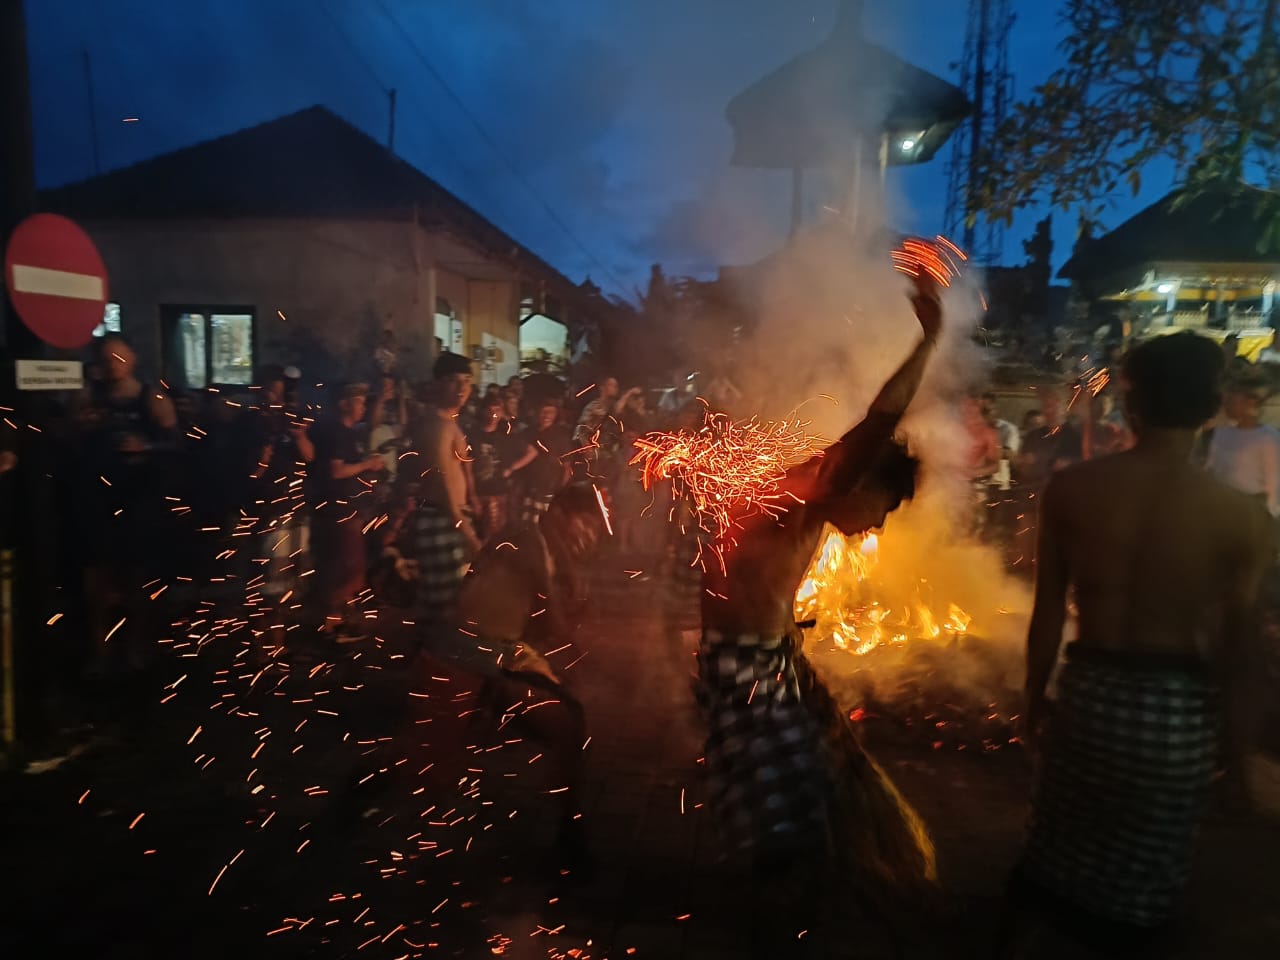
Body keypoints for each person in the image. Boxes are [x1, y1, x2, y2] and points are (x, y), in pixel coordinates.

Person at [1002, 332, 1275, 956]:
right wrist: (1237, 758)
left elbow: (1049, 611)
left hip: (1089, 698)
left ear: (1131, 405)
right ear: (1213, 408)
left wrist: (1034, 698)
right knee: (1141, 882)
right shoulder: (1242, 517)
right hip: (1176, 718)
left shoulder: (1073, 489)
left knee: (1053, 853)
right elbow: (1241, 654)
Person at [695, 270, 944, 946]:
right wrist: (928, 342)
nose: (878, 525)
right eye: (884, 507)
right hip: (744, 668)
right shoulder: (802, 493)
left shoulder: (811, 505)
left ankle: (790, 909)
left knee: (813, 787)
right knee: (786, 812)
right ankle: (772, 926)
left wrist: (791, 649)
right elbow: (880, 421)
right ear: (859, 482)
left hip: (769, 658)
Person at [403, 352, 479, 623]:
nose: (462, 388)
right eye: (453, 380)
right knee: (446, 607)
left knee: (449, 600)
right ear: (437, 384)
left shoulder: (449, 423)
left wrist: (472, 500)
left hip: (450, 518)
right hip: (442, 518)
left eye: (467, 381)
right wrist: (467, 531)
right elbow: (441, 480)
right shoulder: (438, 426)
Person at [307, 382, 386, 637]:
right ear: (343, 404)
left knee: (348, 568)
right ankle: (332, 627)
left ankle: (342, 621)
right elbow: (337, 470)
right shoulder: (337, 432)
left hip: (346, 510)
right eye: (358, 401)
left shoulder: (347, 432)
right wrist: (367, 465)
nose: (363, 406)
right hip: (338, 512)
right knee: (344, 571)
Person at [1206, 379, 1280, 517]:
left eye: (1231, 399)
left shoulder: (1268, 438)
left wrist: (1270, 516)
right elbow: (1211, 469)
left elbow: (1273, 483)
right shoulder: (1221, 432)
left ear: (1250, 403)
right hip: (1220, 506)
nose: (1226, 404)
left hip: (1251, 510)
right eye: (1225, 400)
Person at [506, 400, 573, 523]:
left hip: (549, 489)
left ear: (556, 414)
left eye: (551, 412)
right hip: (528, 488)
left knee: (543, 523)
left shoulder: (561, 436)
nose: (546, 415)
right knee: (526, 522)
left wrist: (561, 492)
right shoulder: (528, 432)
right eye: (544, 411)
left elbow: (566, 467)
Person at [466, 394, 519, 540]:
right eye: (490, 409)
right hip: (480, 493)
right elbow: (467, 467)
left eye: (497, 410)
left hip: (500, 493)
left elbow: (530, 451)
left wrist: (511, 469)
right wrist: (472, 495)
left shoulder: (505, 437)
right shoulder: (473, 435)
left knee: (497, 538)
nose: (494, 414)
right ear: (483, 411)